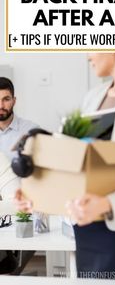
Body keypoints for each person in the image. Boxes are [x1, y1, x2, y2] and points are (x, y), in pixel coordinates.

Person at [16, 53, 115, 279]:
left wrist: (105, 204)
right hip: (87, 228)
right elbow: (76, 163)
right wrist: (37, 196)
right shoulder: (93, 97)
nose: (87, 55)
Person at [0, 77, 38, 274]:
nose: (1, 105)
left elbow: (41, 172)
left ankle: (10, 268)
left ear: (14, 100)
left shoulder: (30, 131)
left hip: (23, 202)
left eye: (6, 99)